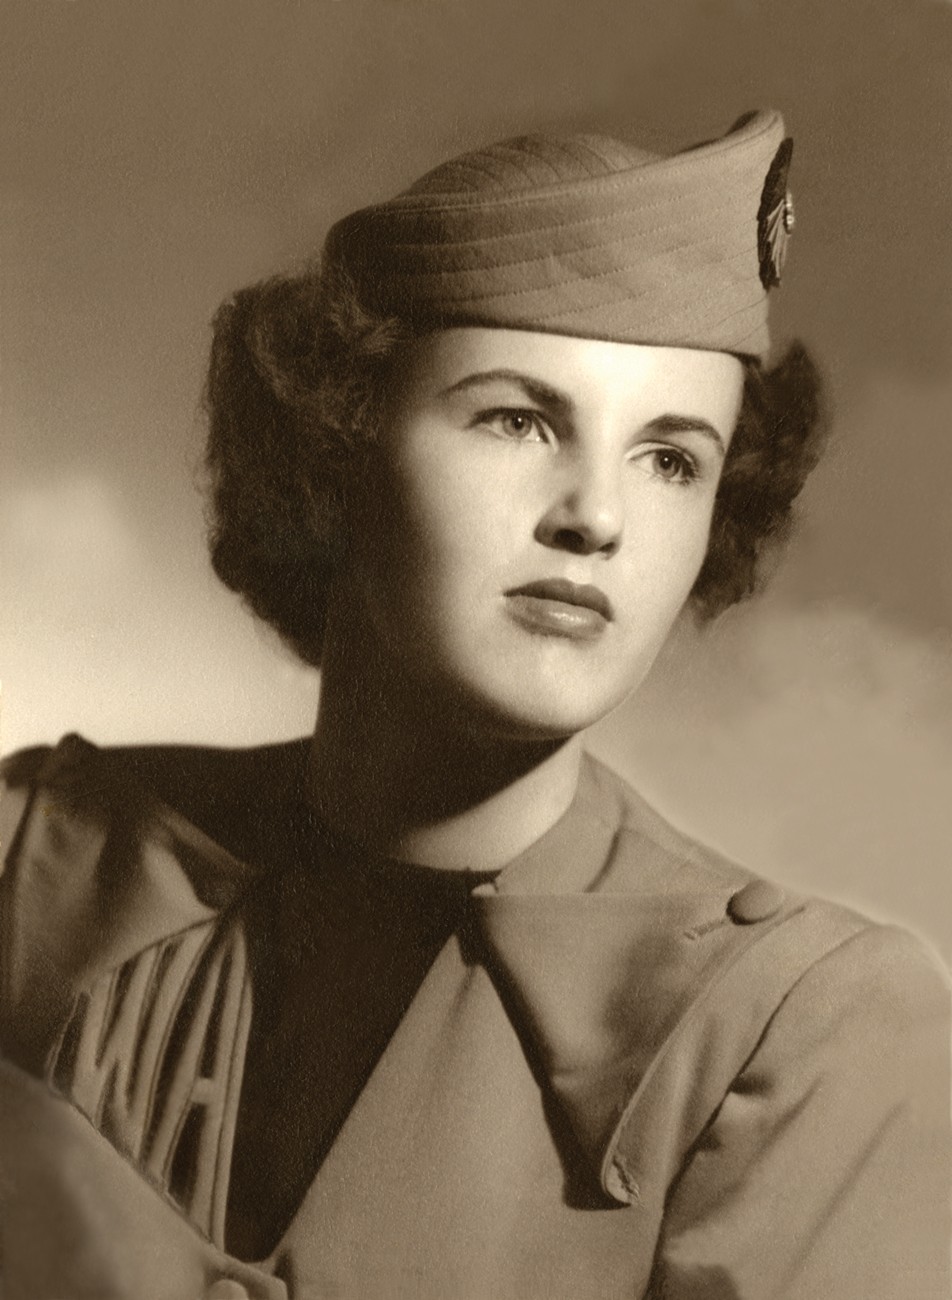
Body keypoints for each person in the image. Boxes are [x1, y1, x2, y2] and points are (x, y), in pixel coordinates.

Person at [0, 110, 948, 1300]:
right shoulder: (40, 852)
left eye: (671, 459)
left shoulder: (802, 1030)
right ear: (337, 450)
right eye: (517, 418)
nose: (595, 515)